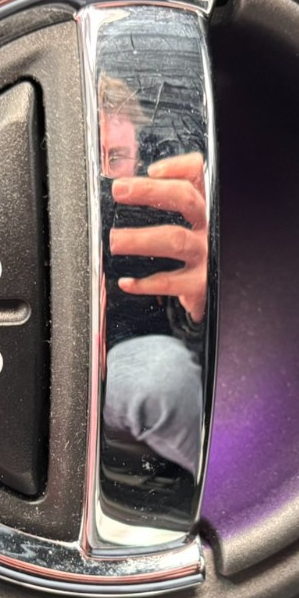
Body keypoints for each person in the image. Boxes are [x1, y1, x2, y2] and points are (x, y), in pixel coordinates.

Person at [97, 74, 208, 474]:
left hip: (145, 357)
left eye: (116, 158)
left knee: (164, 376)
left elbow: (192, 342)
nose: (102, 179)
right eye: (88, 157)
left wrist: (206, 305)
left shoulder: (167, 214)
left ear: (138, 159)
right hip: (57, 366)